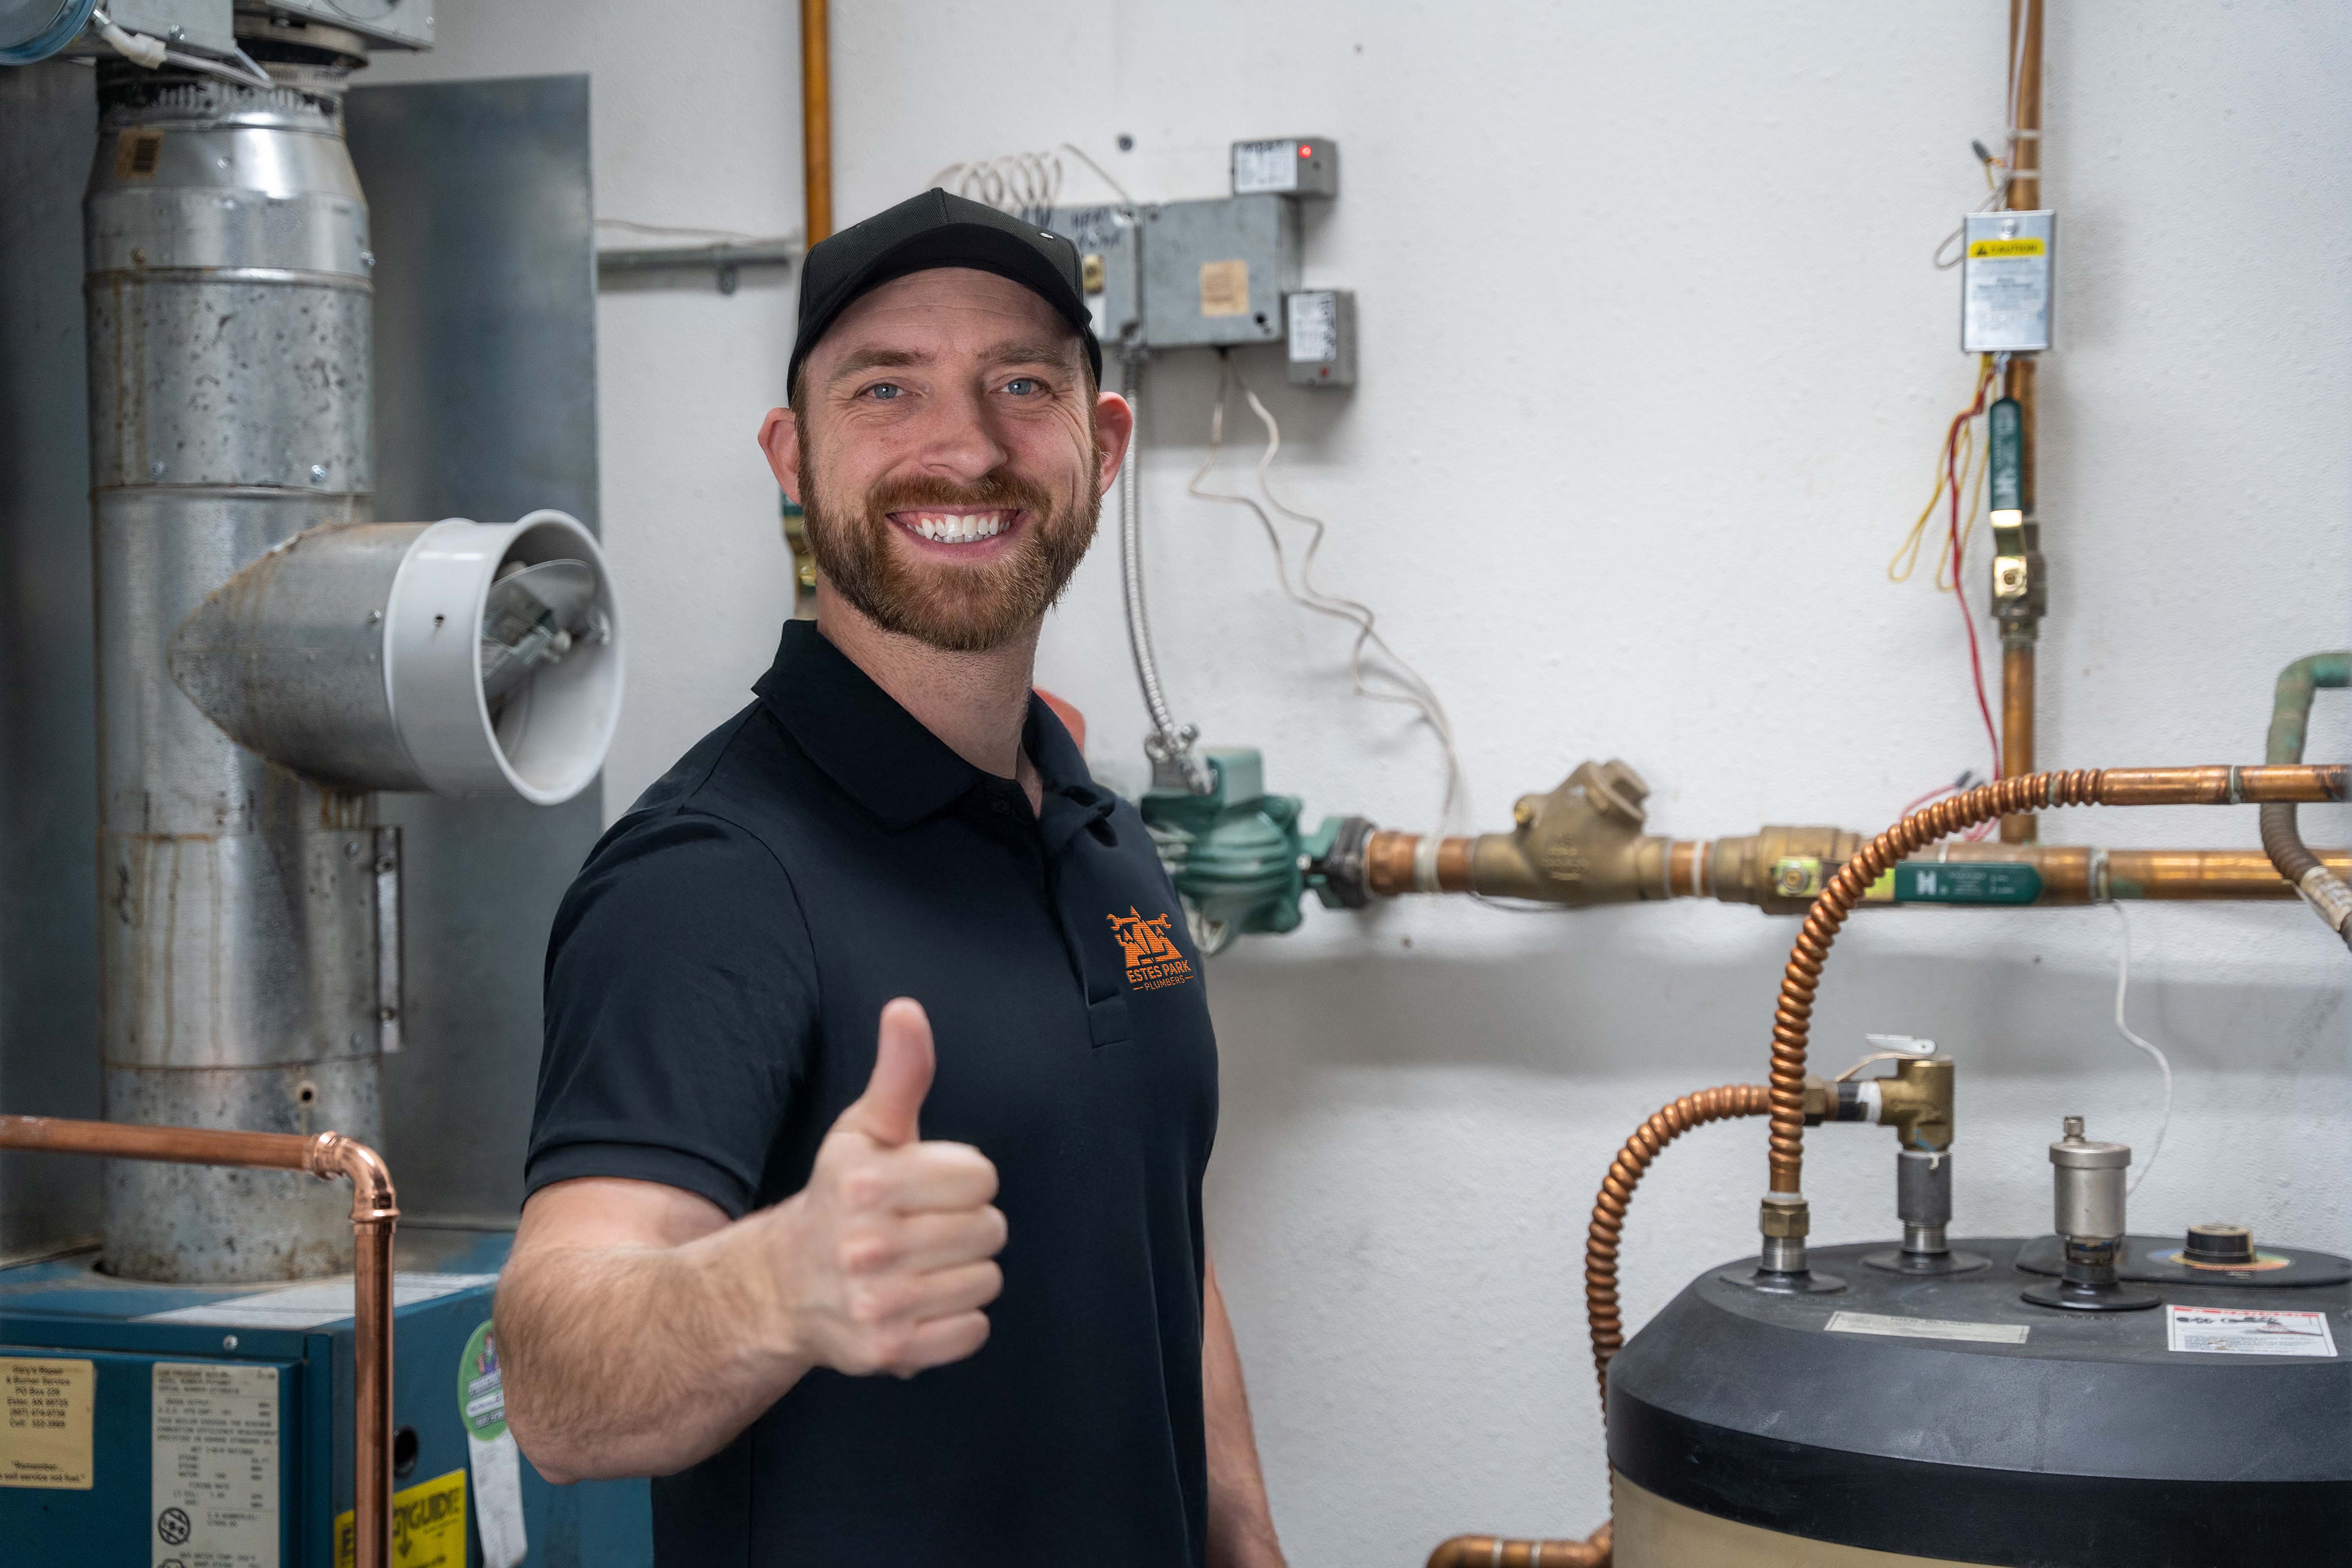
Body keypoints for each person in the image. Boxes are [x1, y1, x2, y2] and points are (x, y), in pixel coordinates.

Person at [495, 188, 1288, 1567]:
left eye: (1022, 384)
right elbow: (557, 1385)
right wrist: (778, 1288)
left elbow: (1159, 1235)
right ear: (792, 460)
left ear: (1102, 446)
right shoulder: (714, 876)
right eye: (886, 389)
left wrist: (1244, 1539)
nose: (965, 447)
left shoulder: (1104, 836)